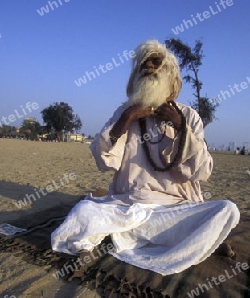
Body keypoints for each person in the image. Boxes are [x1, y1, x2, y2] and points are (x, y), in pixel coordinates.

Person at [51, 40, 240, 276]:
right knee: (86, 210)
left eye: (156, 61)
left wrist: (181, 128)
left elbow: (201, 171)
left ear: (171, 74)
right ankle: (197, 242)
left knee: (227, 210)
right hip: (127, 204)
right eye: (143, 62)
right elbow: (104, 161)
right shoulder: (124, 112)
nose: (148, 66)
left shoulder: (189, 116)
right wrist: (127, 118)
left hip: (173, 210)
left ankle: (120, 236)